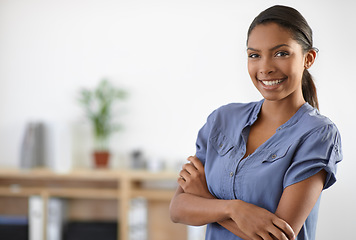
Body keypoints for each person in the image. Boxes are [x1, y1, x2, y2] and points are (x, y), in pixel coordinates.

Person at [169, 5, 342, 240]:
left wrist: (207, 202)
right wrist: (233, 209)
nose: (265, 68)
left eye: (281, 53)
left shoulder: (318, 134)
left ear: (308, 58)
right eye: (254, 55)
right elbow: (178, 208)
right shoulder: (221, 120)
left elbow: (278, 237)